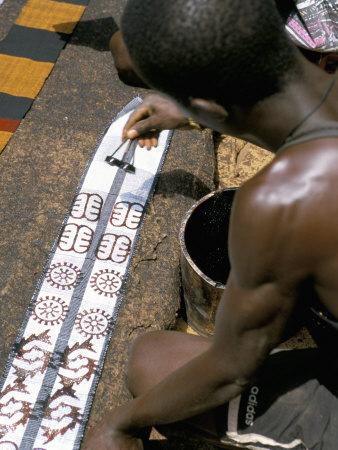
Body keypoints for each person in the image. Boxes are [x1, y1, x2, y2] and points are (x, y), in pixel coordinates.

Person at [84, 0, 338, 448]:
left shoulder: (283, 202)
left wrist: (120, 424)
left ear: (208, 104)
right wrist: (192, 113)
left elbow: (230, 372)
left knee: (151, 363)